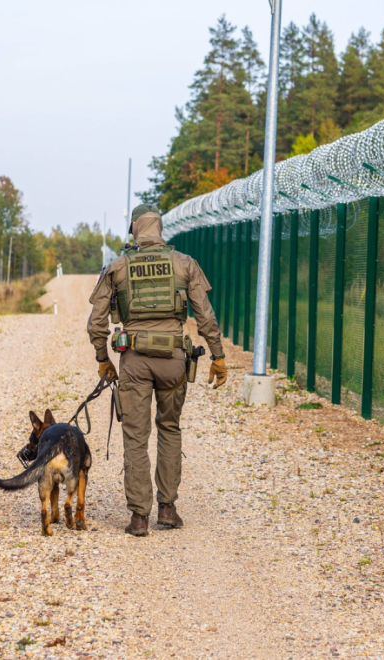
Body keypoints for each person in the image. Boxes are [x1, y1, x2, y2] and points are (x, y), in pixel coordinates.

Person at [87, 204, 227, 537]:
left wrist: (103, 359)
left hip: (134, 360)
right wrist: (218, 355)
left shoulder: (117, 267)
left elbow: (97, 323)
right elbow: (205, 317)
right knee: (169, 429)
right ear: (161, 228)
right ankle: (167, 510)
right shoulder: (185, 264)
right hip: (174, 359)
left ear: (135, 228)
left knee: (135, 438)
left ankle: (138, 517)